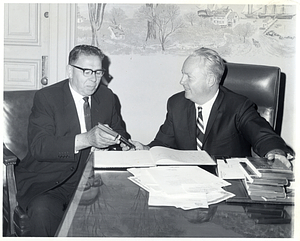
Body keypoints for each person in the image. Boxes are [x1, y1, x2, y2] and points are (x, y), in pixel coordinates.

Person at [15, 45, 129, 236]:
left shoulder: (107, 96)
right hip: (51, 182)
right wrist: (87, 139)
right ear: (70, 71)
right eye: (87, 71)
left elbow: (119, 132)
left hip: (93, 180)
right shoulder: (47, 98)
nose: (94, 79)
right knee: (42, 211)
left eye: (98, 72)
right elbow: (40, 146)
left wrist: (121, 144)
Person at [125, 47, 294, 168]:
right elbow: (162, 144)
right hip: (186, 183)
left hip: (228, 189)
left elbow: (263, 136)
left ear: (211, 80)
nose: (181, 81)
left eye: (188, 77)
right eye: (182, 74)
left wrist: (275, 152)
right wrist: (146, 149)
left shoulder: (238, 106)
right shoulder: (176, 104)